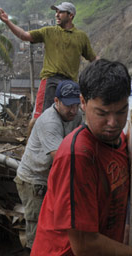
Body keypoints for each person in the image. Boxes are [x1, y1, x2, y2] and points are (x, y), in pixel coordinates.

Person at [31, 59, 132, 256]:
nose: (113, 122)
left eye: (121, 112)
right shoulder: (78, 155)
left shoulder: (118, 141)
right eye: (102, 113)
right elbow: (84, 245)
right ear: (83, 102)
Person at [0, 2, 96, 133]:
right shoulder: (48, 32)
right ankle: (30, 149)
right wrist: (7, 22)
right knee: (39, 117)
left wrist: (107, 69)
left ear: (70, 15)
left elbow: (93, 59)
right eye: (56, 12)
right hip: (50, 80)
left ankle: (63, 149)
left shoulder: (81, 37)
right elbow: (24, 36)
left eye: (60, 12)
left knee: (71, 119)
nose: (57, 15)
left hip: (70, 83)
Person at [14, 79, 83, 249]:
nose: (73, 110)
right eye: (68, 106)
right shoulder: (49, 122)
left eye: (76, 105)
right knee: (37, 228)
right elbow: (62, 158)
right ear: (57, 102)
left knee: (53, 227)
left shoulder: (77, 115)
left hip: (49, 176)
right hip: (33, 179)